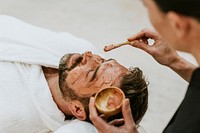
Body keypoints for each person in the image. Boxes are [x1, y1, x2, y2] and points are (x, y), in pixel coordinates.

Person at [0, 15, 148, 133]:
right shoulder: (76, 46)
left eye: (91, 73)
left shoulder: (10, 116)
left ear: (77, 109)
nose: (88, 55)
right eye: (102, 60)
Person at [89, 0, 200, 133]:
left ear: (177, 25)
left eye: (147, 8)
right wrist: (176, 62)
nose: (88, 56)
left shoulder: (189, 125)